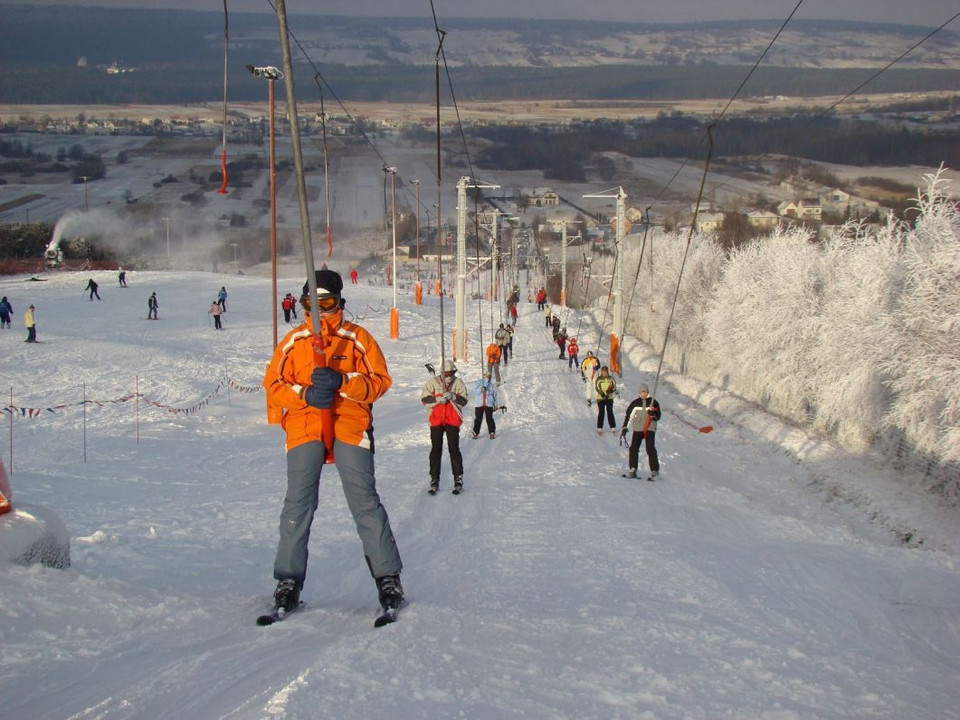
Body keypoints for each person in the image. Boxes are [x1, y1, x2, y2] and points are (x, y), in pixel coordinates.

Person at [262, 269, 403, 619]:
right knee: (298, 501)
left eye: (326, 303)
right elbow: (274, 384)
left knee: (363, 499)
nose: (319, 312)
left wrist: (344, 381)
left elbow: (379, 381)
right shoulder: (294, 342)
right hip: (305, 424)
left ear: (339, 302)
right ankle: (289, 581)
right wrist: (305, 393)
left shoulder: (356, 338)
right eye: (311, 304)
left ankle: (388, 577)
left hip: (349, 423)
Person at [420, 359, 468, 495]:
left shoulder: (458, 383)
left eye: (451, 373)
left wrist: (453, 397)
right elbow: (424, 399)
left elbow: (464, 400)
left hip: (452, 419)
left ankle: (458, 477)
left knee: (454, 449)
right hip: (436, 420)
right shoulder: (433, 382)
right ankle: (434, 478)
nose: (448, 376)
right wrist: (436, 400)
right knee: (436, 449)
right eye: (446, 374)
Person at [620, 384, 662, 479]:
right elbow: (628, 416)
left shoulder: (653, 402)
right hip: (638, 428)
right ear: (639, 393)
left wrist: (653, 413)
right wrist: (625, 428)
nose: (644, 394)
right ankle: (633, 469)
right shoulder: (635, 403)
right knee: (633, 448)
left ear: (648, 393)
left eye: (645, 392)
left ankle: (655, 470)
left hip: (649, 427)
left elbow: (658, 416)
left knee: (650, 447)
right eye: (642, 392)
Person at [470, 371, 501, 439]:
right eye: (487, 376)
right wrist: (480, 390)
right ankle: (476, 432)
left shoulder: (491, 385)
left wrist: (495, 404)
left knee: (489, 418)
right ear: (484, 376)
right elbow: (475, 391)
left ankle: (492, 432)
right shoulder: (478, 383)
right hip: (479, 404)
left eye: (489, 376)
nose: (488, 377)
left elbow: (494, 395)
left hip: (489, 403)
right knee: (478, 419)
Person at [595, 366, 617, 435]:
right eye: (603, 372)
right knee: (601, 412)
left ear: (607, 372)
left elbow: (614, 387)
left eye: (605, 372)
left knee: (610, 411)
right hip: (601, 398)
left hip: (609, 398)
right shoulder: (599, 379)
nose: (604, 373)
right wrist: (603, 394)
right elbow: (597, 388)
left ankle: (613, 427)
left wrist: (609, 392)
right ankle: (599, 428)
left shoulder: (611, 379)